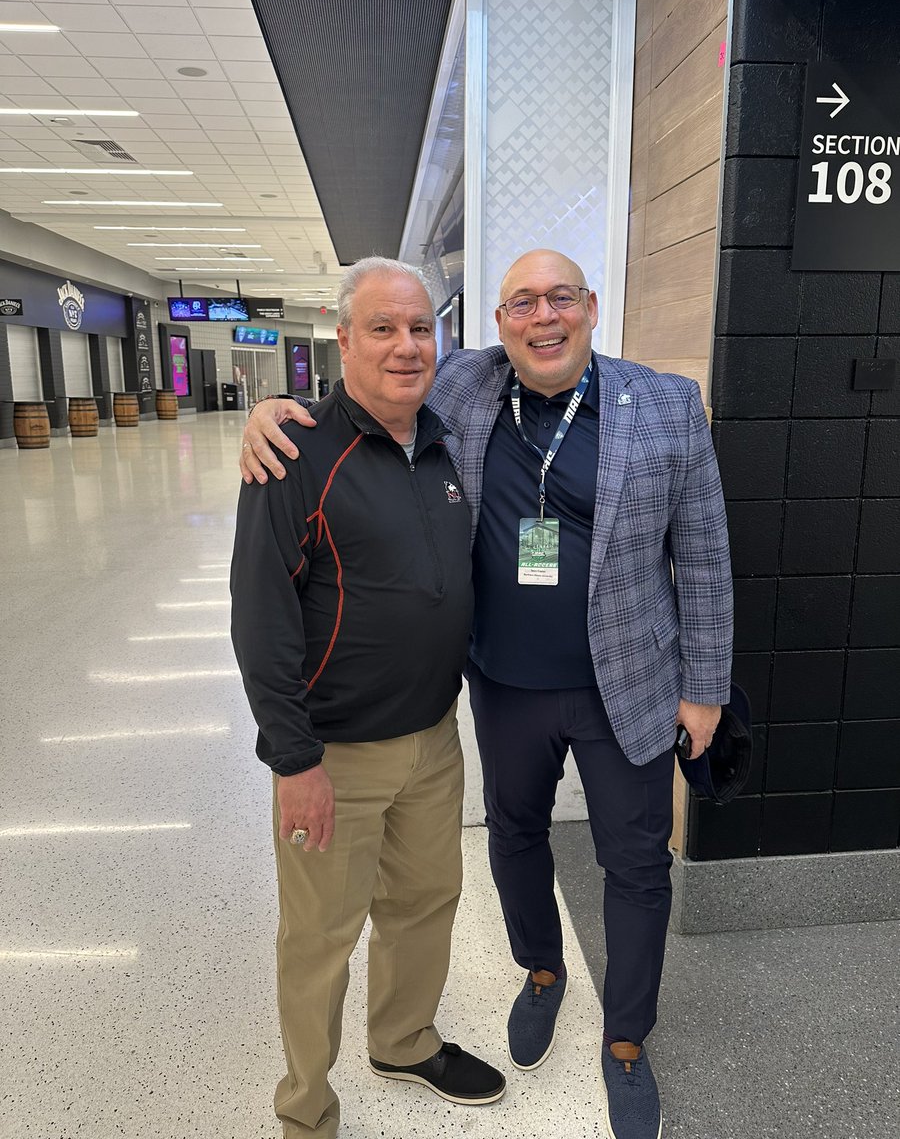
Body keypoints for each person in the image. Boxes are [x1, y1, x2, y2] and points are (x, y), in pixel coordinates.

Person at [240, 249, 733, 1139]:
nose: (544, 318)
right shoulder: (467, 386)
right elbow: (364, 392)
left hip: (628, 680)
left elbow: (703, 554)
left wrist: (705, 688)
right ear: (498, 326)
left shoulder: (664, 406)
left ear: (591, 307)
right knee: (513, 836)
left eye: (561, 300)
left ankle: (626, 1038)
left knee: (636, 862)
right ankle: (540, 971)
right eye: (521, 304)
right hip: (503, 686)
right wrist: (272, 411)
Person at [230, 256, 506, 1139]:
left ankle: (404, 1039)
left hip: (432, 739)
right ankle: (306, 1111)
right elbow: (261, 615)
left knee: (427, 905)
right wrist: (294, 760)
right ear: (342, 337)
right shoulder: (296, 451)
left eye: (420, 328)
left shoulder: (448, 436)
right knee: (318, 941)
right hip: (333, 755)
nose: (405, 346)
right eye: (382, 328)